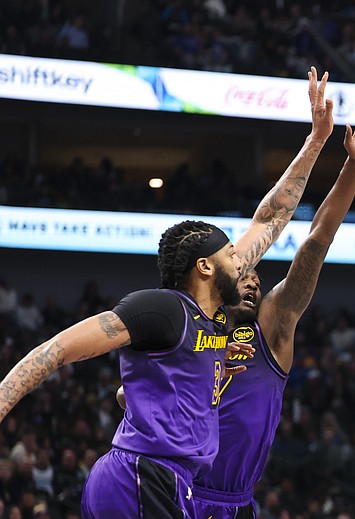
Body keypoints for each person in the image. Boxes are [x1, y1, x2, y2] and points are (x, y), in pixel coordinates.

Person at [0, 65, 336, 518]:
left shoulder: (216, 318)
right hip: (140, 473)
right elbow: (59, 349)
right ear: (204, 267)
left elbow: (271, 218)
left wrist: (316, 140)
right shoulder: (163, 309)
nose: (242, 260)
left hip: (172, 482)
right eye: (231, 256)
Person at [191, 94, 355, 519]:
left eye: (258, 280)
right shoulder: (188, 325)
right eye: (245, 275)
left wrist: (354, 164)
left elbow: (317, 238)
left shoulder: (271, 327)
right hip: (172, 486)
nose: (254, 282)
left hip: (234, 500)